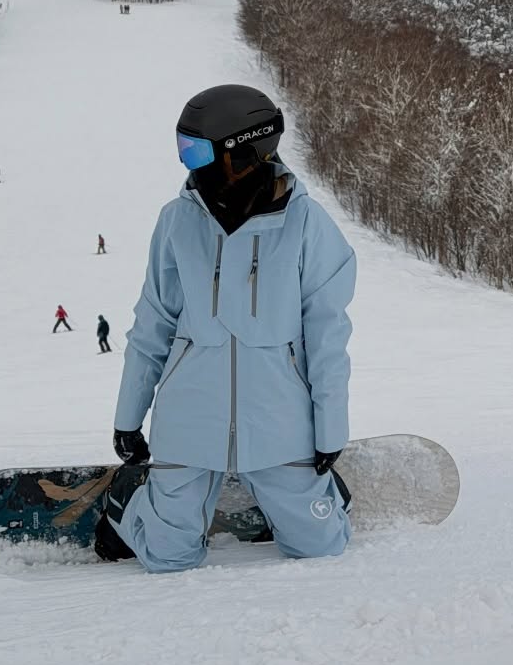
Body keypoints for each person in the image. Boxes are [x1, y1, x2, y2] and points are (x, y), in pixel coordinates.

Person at [95, 83, 355, 572]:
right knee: (167, 560)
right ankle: (127, 501)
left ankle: (311, 496)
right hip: (188, 419)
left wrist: (330, 426)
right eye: (183, 149)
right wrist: (128, 417)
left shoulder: (306, 225)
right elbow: (152, 323)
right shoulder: (176, 222)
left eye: (196, 150)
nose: (189, 163)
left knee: (322, 547)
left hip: (280, 419)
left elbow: (327, 334)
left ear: (245, 150)